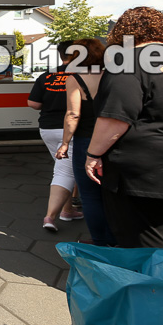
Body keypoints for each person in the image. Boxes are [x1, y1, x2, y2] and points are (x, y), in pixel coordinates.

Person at [84, 7, 163, 249]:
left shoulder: (128, 62)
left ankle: (155, 274)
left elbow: (116, 118)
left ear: (122, 32)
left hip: (142, 168)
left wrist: (93, 154)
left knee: (145, 240)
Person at [55, 38, 116, 246]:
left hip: (86, 140)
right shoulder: (113, 76)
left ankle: (101, 241)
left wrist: (65, 143)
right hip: (113, 138)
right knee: (112, 192)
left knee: (90, 194)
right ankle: (117, 238)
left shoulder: (75, 79)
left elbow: (73, 114)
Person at [28, 41, 84, 232]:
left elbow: (33, 103)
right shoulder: (82, 75)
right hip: (71, 129)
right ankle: (51, 216)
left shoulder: (47, 75)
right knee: (65, 172)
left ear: (60, 55)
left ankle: (68, 210)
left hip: (47, 129)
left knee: (65, 168)